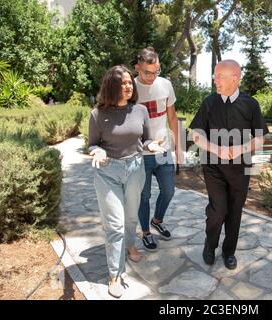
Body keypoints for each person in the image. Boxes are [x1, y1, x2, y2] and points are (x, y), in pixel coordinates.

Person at [88, 65, 165, 298]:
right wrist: (97, 152)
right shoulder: (97, 114)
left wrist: (152, 145)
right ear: (111, 85)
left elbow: (147, 139)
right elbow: (92, 144)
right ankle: (115, 274)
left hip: (135, 169)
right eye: (123, 82)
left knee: (131, 217)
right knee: (115, 224)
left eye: (130, 82)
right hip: (107, 172)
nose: (129, 85)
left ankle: (130, 244)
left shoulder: (140, 110)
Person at [189, 60, 269, 270]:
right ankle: (210, 245)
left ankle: (229, 252)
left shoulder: (251, 104)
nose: (216, 80)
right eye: (215, 76)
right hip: (213, 165)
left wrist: (240, 149)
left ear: (235, 78)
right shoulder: (209, 102)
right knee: (218, 210)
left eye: (220, 76)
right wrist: (216, 149)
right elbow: (196, 134)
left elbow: (260, 138)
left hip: (241, 168)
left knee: (235, 211)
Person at [135, 47, 182, 252]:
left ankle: (157, 220)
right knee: (143, 197)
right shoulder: (130, 88)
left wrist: (179, 148)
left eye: (156, 71)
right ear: (137, 68)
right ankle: (145, 232)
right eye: (147, 72)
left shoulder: (165, 85)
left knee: (169, 190)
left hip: (163, 151)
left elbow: (172, 117)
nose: (152, 76)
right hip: (141, 154)